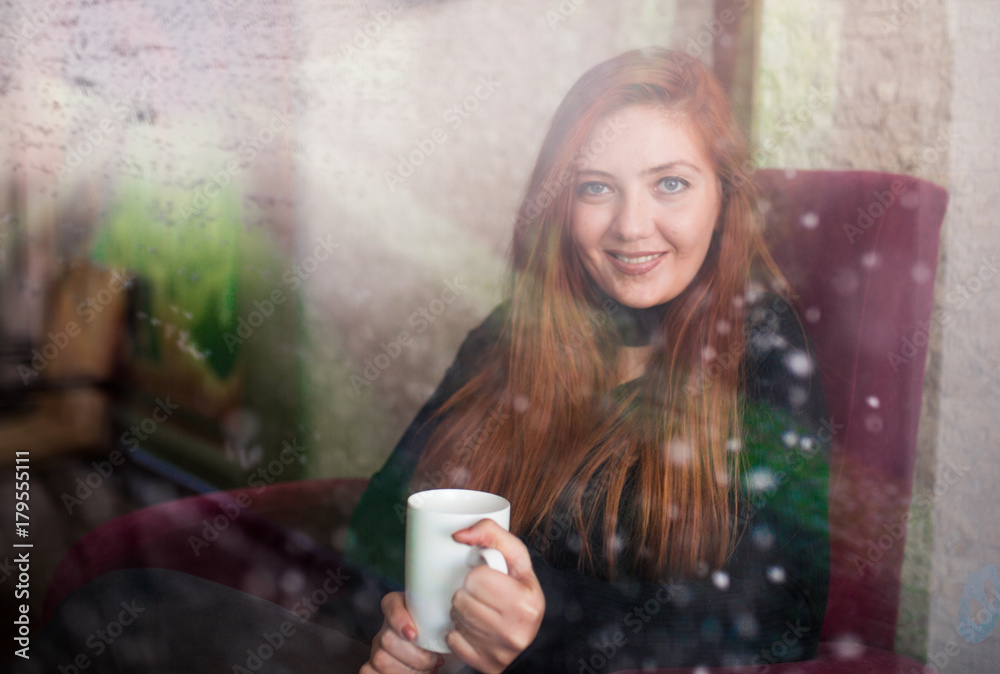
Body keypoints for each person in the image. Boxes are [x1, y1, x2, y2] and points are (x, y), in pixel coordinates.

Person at [347, 47, 830, 673]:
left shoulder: (763, 348)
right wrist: (401, 624)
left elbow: (775, 619)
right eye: (596, 187)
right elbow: (375, 526)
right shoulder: (510, 335)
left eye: (671, 184)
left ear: (725, 197)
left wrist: (541, 629)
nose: (631, 226)